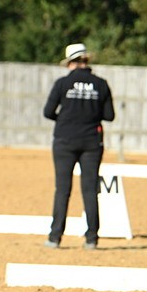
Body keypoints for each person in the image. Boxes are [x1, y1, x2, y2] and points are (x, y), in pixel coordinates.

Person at [42, 42, 114, 250]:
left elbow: (48, 112)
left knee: (62, 189)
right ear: (86, 61)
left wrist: (66, 119)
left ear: (71, 63)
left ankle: (55, 237)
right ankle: (92, 238)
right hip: (92, 141)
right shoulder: (101, 84)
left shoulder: (62, 84)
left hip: (64, 140)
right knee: (90, 190)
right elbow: (109, 116)